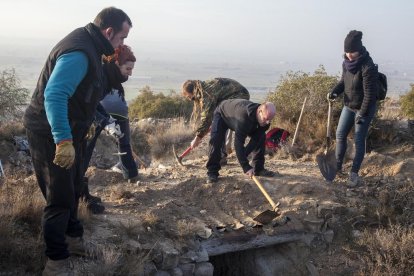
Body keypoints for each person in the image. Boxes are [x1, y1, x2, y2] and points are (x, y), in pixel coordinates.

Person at [23, 7, 132, 275]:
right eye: (121, 38)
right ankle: (56, 261)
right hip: (50, 132)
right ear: (108, 32)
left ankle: (74, 240)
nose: (121, 44)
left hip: (72, 131)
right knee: (59, 196)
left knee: (73, 187)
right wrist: (62, 140)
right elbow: (55, 95)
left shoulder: (93, 47)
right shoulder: (80, 52)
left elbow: (85, 96)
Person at [81, 45, 138, 213]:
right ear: (116, 65)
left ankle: (82, 196)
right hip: (79, 122)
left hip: (101, 116)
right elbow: (89, 105)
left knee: (85, 154)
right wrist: (106, 122)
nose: (130, 73)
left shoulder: (110, 78)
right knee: (83, 154)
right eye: (127, 68)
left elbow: (95, 105)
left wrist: (107, 120)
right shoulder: (100, 78)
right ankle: (81, 198)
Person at [327, 30, 378, 187]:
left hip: (364, 108)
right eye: (346, 51)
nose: (349, 55)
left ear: (359, 49)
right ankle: (337, 167)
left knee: (358, 140)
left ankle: (354, 174)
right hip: (349, 106)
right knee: (340, 134)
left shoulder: (368, 66)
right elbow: (343, 82)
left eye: (352, 52)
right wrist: (334, 91)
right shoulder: (346, 63)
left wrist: (362, 113)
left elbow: (370, 95)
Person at [206, 99, 277, 183]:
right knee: (216, 140)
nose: (267, 122)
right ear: (259, 111)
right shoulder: (244, 118)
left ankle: (258, 168)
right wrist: (246, 167)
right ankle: (212, 172)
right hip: (223, 114)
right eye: (265, 119)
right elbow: (238, 144)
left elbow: (255, 139)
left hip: (239, 117)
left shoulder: (265, 121)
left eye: (269, 119)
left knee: (261, 137)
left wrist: (244, 155)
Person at [181, 78, 250, 164]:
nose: (191, 100)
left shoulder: (206, 93)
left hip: (239, 98)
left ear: (193, 92)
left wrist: (198, 137)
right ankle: (221, 156)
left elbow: (207, 116)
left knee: (219, 125)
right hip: (237, 97)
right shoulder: (203, 87)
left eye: (190, 97)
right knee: (218, 121)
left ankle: (220, 157)